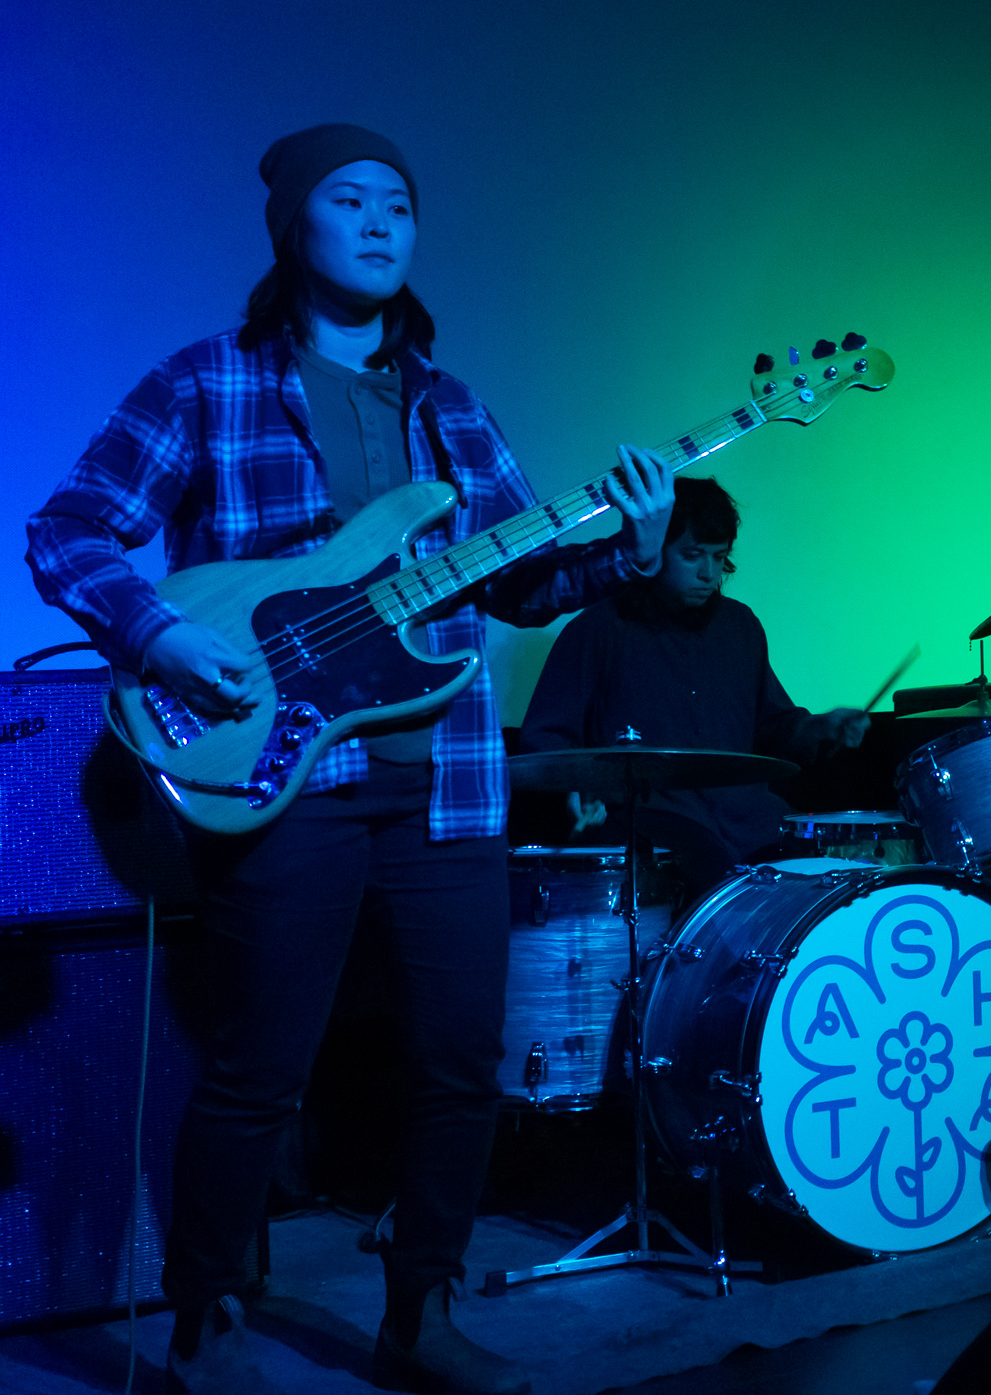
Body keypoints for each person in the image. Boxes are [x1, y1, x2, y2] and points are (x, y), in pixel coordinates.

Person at [26, 124, 675, 1395]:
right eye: (350, 198)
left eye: (399, 204)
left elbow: (524, 581)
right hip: (286, 775)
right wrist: (160, 635)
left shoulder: (452, 408)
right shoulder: (208, 381)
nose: (382, 221)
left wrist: (633, 547)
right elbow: (69, 528)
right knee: (259, 1070)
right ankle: (207, 1327)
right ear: (293, 227)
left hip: (450, 786)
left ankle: (422, 1318)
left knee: (460, 1065)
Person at [519, 474, 869, 894]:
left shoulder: (740, 626)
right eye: (692, 555)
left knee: (827, 886)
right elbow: (546, 738)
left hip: (750, 821)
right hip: (654, 824)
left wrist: (822, 727)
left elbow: (774, 727)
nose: (708, 573)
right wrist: (580, 785)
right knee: (707, 876)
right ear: (655, 548)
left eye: (719, 557)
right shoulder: (599, 629)